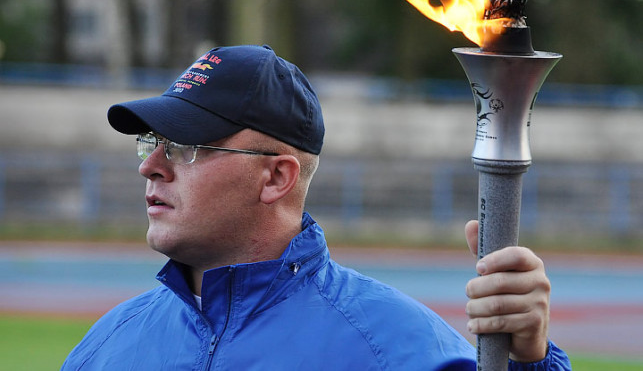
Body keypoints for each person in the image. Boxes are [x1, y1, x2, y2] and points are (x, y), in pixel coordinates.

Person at [62, 45, 571, 370]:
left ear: (276, 177)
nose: (150, 165)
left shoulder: (399, 351)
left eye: (183, 146)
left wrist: (530, 361)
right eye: (152, 142)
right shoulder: (105, 346)